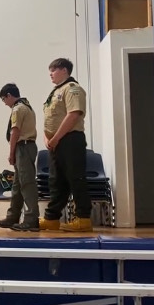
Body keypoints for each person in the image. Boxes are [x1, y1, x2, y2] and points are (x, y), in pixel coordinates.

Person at [41, 58, 92, 232]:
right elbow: (50, 119)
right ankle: (52, 218)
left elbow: (73, 114)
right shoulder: (56, 91)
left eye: (53, 70)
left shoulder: (72, 89)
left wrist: (56, 138)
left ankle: (83, 219)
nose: (50, 74)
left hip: (70, 140)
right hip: (55, 143)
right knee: (56, 181)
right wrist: (47, 138)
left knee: (76, 178)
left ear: (64, 70)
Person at [0, 83, 39, 232]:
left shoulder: (18, 109)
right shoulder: (26, 106)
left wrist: (11, 152)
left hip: (23, 147)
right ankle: (12, 217)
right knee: (17, 185)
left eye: (4, 99)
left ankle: (31, 219)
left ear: (9, 95)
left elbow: (15, 132)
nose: (4, 103)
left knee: (27, 184)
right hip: (26, 147)